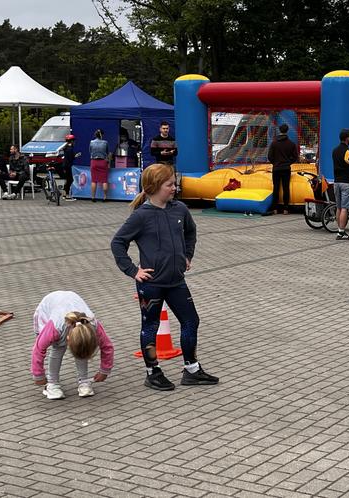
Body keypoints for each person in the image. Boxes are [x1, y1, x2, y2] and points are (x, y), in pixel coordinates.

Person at [110, 163, 218, 391]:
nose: (174, 188)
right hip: (151, 285)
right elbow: (118, 243)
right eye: (169, 184)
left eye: (174, 183)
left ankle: (191, 369)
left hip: (176, 280)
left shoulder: (179, 209)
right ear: (154, 187)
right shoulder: (141, 216)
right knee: (150, 326)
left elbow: (191, 232)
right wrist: (133, 270)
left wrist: (187, 255)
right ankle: (153, 372)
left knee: (191, 321)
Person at [31, 290, 114, 400]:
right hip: (51, 304)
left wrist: (104, 370)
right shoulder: (55, 328)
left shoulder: (93, 326)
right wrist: (38, 375)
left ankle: (83, 381)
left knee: (82, 350)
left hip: (72, 301)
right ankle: (52, 383)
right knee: (58, 348)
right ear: (68, 339)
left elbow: (107, 347)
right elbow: (38, 349)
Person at [267, 123, 298, 215]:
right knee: (286, 188)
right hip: (286, 168)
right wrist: (288, 162)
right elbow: (295, 157)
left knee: (276, 188)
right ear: (287, 131)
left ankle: (275, 208)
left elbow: (270, 156)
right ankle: (286, 209)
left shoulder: (274, 143)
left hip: (276, 168)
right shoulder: (291, 144)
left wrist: (275, 163)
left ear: (279, 131)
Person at [89, 129, 109, 202]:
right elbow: (107, 152)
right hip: (103, 162)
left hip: (94, 162)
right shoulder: (105, 143)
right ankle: (105, 197)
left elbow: (90, 151)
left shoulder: (91, 142)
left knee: (94, 180)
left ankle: (93, 197)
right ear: (102, 135)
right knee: (104, 180)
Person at [61, 134, 76, 201]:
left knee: (68, 180)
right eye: (73, 140)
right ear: (72, 141)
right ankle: (66, 195)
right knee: (70, 180)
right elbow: (71, 158)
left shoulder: (66, 147)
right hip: (68, 166)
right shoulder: (70, 149)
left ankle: (64, 194)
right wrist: (75, 156)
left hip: (65, 165)